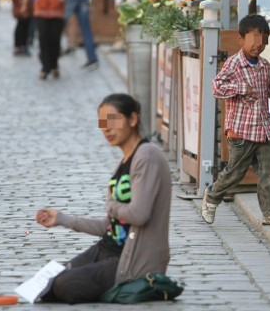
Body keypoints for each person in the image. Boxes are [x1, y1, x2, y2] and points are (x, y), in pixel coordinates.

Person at [35, 94, 172, 304]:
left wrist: (112, 205)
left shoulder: (147, 156)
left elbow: (140, 214)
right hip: (106, 249)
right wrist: (62, 219)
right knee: (48, 282)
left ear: (133, 119)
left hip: (132, 260)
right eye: (102, 123)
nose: (106, 128)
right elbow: (110, 226)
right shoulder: (123, 163)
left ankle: (133, 286)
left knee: (64, 285)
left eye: (112, 120)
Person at [201, 14, 270, 226]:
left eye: (263, 41)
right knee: (234, 173)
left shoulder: (265, 66)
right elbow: (216, 87)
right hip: (241, 132)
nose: (259, 45)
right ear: (241, 39)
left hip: (264, 131)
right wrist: (240, 88)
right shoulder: (234, 64)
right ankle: (212, 197)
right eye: (254, 40)